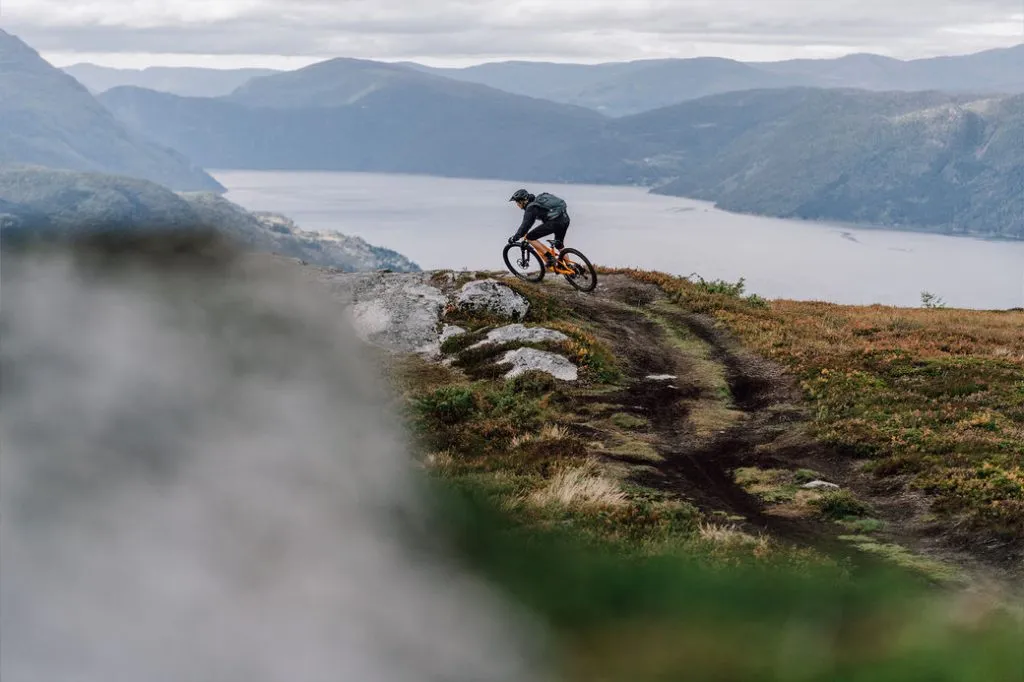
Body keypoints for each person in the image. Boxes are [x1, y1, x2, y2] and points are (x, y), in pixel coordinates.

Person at [507, 189, 570, 266]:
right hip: (565, 219)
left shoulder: (531, 208)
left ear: (521, 201)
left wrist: (515, 238)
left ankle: (549, 257)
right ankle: (571, 267)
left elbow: (525, 226)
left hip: (555, 223)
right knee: (559, 244)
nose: (517, 205)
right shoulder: (538, 201)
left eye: (517, 202)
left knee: (529, 237)